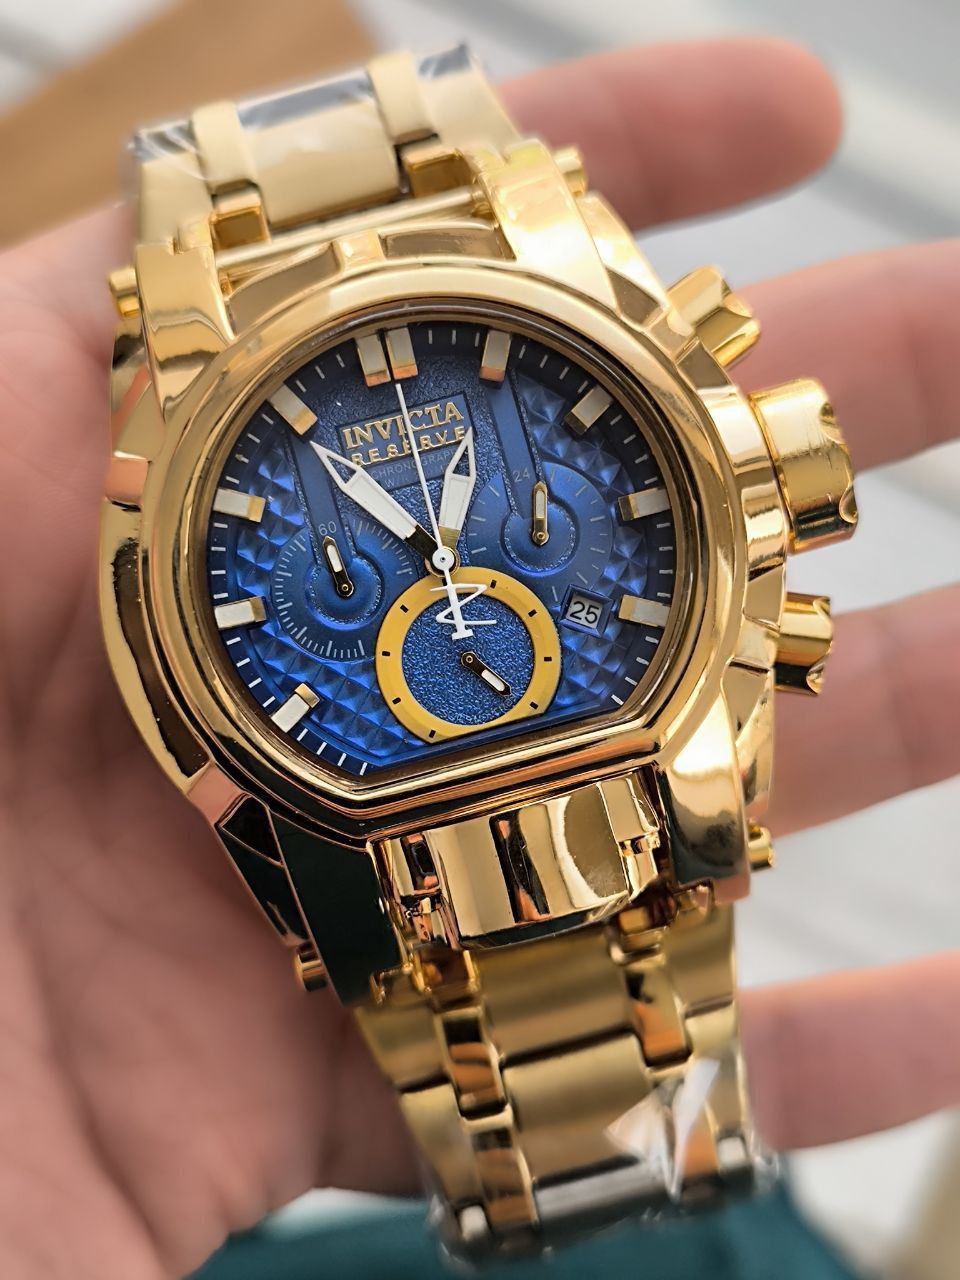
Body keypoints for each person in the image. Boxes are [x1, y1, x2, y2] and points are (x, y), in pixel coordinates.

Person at [0, 38, 956, 1280]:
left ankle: (665, 1193)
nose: (445, 565)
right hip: (367, 809)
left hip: (605, 754)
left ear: (764, 477)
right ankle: (671, 1205)